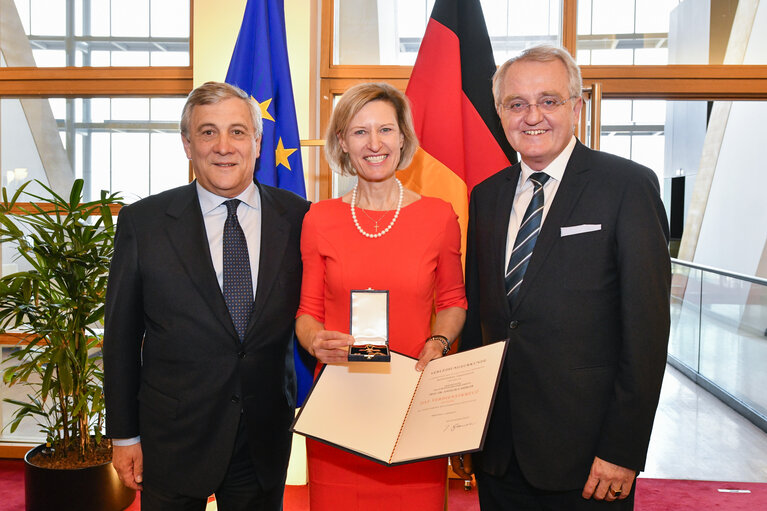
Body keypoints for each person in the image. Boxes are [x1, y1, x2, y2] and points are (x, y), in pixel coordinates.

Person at [453, 45, 671, 510]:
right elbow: (479, 324)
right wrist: (465, 429)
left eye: (548, 100)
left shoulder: (627, 186)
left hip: (588, 459)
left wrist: (622, 449)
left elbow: (647, 334)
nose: (533, 115)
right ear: (500, 113)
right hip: (499, 451)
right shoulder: (486, 197)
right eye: (517, 104)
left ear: (576, 106)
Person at [103, 81, 309, 511]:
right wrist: (124, 435)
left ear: (257, 142)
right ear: (187, 144)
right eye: (207, 132)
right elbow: (120, 339)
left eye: (237, 132)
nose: (223, 146)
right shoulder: (144, 223)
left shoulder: (300, 218)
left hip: (263, 438)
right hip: (173, 437)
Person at [295, 82, 467, 511]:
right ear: (342, 143)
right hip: (340, 404)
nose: (375, 144)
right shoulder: (318, 219)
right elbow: (307, 312)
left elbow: (453, 301)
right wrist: (315, 340)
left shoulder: (438, 217)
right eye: (359, 132)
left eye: (386, 130)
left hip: (413, 404)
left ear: (403, 138)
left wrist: (439, 341)